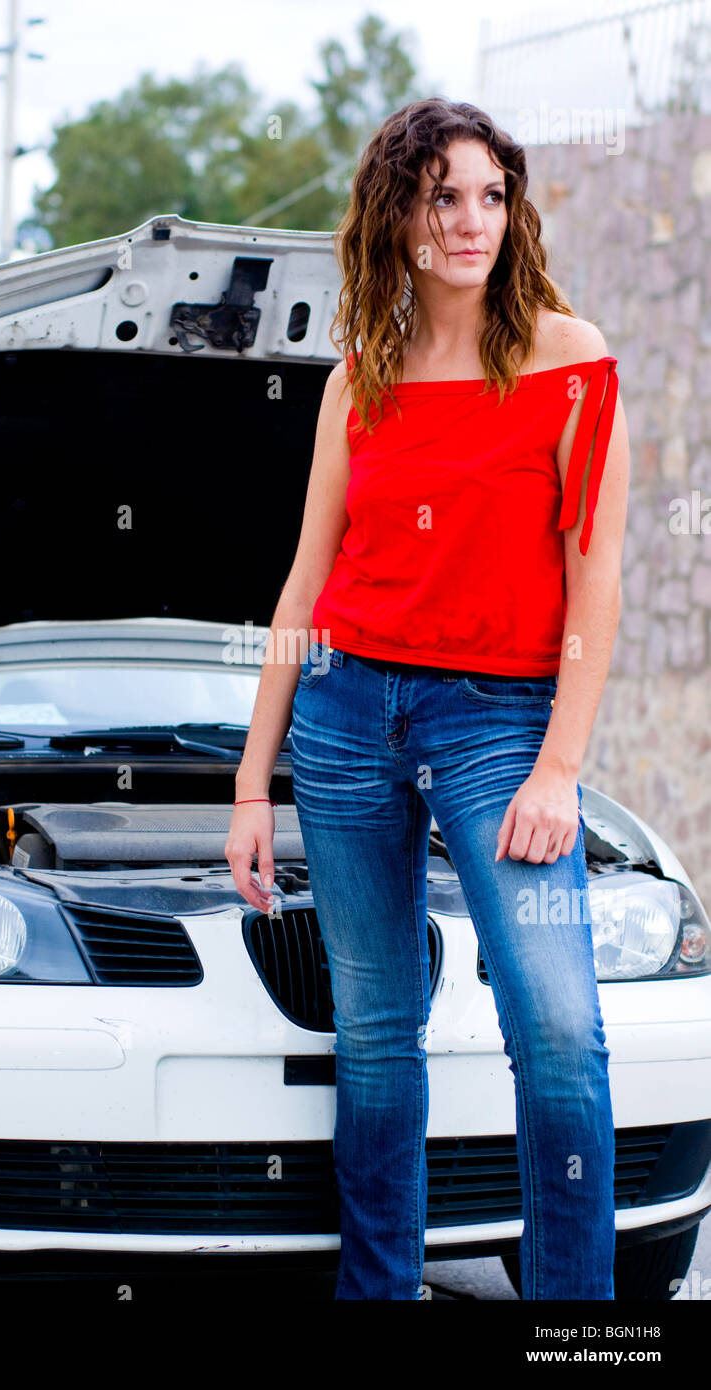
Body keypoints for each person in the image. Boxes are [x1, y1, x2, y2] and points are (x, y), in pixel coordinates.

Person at [224, 96, 630, 1301]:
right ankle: (379, 1290)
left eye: (491, 195)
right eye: (443, 196)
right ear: (399, 216)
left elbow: (595, 574)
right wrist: (252, 779)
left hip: (497, 723)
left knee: (559, 1037)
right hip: (346, 718)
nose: (470, 221)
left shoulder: (571, 357)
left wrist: (560, 764)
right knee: (376, 1037)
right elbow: (305, 581)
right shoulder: (359, 380)